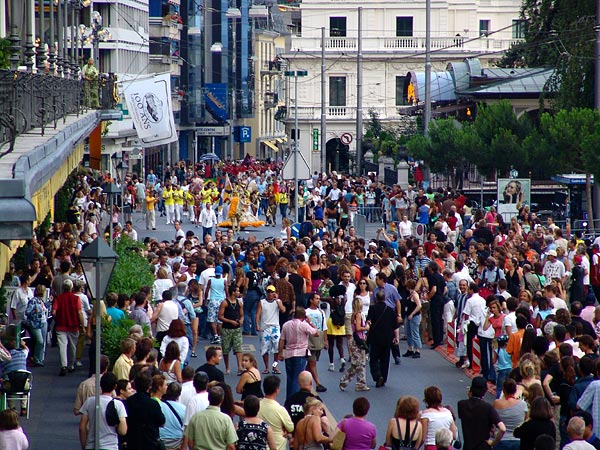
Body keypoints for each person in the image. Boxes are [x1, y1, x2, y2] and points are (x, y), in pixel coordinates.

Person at [278, 307, 320, 400]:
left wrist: (280, 353)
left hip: (288, 354)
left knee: (290, 378)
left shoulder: (286, 325)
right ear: (304, 316)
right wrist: (310, 322)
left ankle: (288, 399)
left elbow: (281, 340)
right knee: (297, 379)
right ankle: (294, 400)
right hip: (300, 354)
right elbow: (316, 333)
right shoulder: (303, 325)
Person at [79, 372, 127, 450]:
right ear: (115, 386)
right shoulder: (118, 404)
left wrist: (84, 446)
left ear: (101, 385)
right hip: (110, 446)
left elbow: (82, 427)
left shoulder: (90, 401)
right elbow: (123, 431)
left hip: (91, 445)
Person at [458, 376, 506, 450]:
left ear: (471, 389)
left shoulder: (461, 405)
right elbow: (502, 428)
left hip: (468, 446)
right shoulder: (488, 407)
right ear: (485, 390)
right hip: (483, 446)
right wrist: (493, 443)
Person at [185, 385, 238, 450]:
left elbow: (190, 442)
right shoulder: (226, 419)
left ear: (208, 398)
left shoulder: (196, 417)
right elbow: (231, 445)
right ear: (222, 400)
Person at [125, 371, 166, 450]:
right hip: (149, 442)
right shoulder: (153, 403)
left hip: (132, 441)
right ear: (149, 386)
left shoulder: (128, 401)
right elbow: (162, 422)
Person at [52, 278, 85, 376]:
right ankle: (71, 365)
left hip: (61, 325)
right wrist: (82, 325)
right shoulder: (76, 299)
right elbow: (79, 313)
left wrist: (57, 318)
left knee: (62, 346)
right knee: (72, 346)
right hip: (73, 325)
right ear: (71, 288)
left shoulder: (58, 298)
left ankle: (63, 366)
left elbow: (54, 312)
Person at [366, 290, 398, 388]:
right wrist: (396, 337)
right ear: (385, 298)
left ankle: (377, 375)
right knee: (385, 359)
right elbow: (395, 326)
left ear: (376, 298)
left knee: (374, 359)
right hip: (387, 338)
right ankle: (383, 378)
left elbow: (369, 321)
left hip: (375, 337)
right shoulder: (390, 310)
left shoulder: (373, 308)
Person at [339, 296, 370, 392]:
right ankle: (358, 383)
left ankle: (347, 381)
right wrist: (367, 327)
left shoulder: (354, 315)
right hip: (358, 340)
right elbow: (358, 328)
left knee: (356, 363)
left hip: (354, 340)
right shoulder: (359, 315)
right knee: (360, 363)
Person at [258, 375, 294, 450]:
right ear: (277, 390)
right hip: (278, 446)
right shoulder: (280, 409)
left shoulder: (257, 406)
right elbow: (290, 428)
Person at [256, 284, 285, 373]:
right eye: (268, 292)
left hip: (275, 327)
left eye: (272, 292)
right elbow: (258, 314)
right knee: (265, 347)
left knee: (277, 346)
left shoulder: (278, 302)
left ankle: (274, 366)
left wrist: (278, 302)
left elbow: (283, 310)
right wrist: (257, 324)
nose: (270, 294)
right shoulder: (262, 302)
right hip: (265, 327)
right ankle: (267, 367)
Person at [493, 379, 528, 450]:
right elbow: (526, 421)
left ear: (503, 390)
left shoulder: (497, 403)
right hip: (517, 440)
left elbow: (493, 420)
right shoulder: (523, 404)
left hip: (501, 439)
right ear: (515, 390)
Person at [218, 285, 244, 375]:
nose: (239, 293)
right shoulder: (225, 303)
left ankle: (240, 367)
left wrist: (241, 321)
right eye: (237, 291)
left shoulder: (239, 303)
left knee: (238, 348)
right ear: (233, 292)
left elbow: (242, 315)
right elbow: (220, 316)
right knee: (225, 349)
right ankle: (227, 367)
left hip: (236, 329)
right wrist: (230, 321)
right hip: (226, 329)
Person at [25, 284, 48, 367]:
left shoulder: (41, 301)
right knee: (40, 341)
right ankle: (36, 358)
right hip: (35, 323)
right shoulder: (33, 301)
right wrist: (35, 311)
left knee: (42, 342)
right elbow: (27, 312)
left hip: (43, 322)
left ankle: (40, 358)